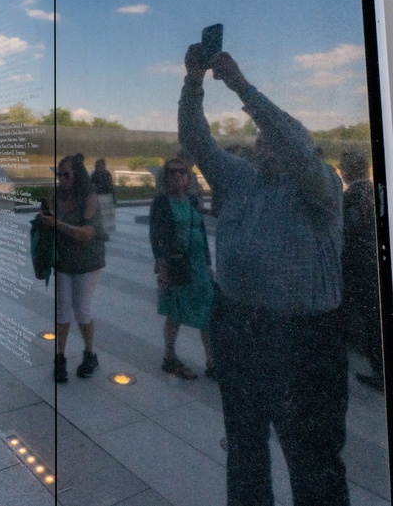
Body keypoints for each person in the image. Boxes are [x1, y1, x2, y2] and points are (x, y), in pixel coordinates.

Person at [177, 44, 348, 505]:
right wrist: (193, 83)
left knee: (312, 460)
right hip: (241, 330)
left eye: (271, 139)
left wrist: (240, 86)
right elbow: (197, 142)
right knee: (246, 451)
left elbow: (293, 142)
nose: (262, 143)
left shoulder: (320, 186)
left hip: (304, 342)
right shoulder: (241, 179)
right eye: (261, 139)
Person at [148, 158, 215, 380]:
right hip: (177, 265)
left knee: (208, 311)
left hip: (198, 265)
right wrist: (162, 267)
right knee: (176, 311)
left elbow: (201, 232)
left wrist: (207, 263)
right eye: (172, 172)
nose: (178, 175)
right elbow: (156, 236)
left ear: (188, 176)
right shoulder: (162, 203)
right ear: (165, 177)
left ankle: (212, 361)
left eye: (182, 172)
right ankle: (169, 357)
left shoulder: (192, 200)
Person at [41, 153, 105, 383]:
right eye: (59, 174)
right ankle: (60, 357)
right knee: (62, 310)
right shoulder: (55, 194)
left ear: (77, 176)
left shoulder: (89, 198)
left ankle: (90, 354)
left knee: (82, 310)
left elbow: (87, 234)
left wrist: (58, 224)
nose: (61, 179)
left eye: (66, 175)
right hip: (63, 260)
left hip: (87, 261)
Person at [338, 151, 384, 392]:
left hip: (358, 269)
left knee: (368, 321)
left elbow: (347, 235)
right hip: (373, 264)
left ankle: (380, 372)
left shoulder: (350, 198)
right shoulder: (374, 191)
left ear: (348, 172)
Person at [90, 158, 117, 234]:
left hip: (108, 196)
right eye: (103, 164)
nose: (104, 166)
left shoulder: (107, 173)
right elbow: (92, 186)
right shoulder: (94, 174)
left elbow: (111, 185)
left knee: (107, 215)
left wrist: (113, 197)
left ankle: (106, 231)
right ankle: (101, 230)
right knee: (101, 215)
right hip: (100, 197)